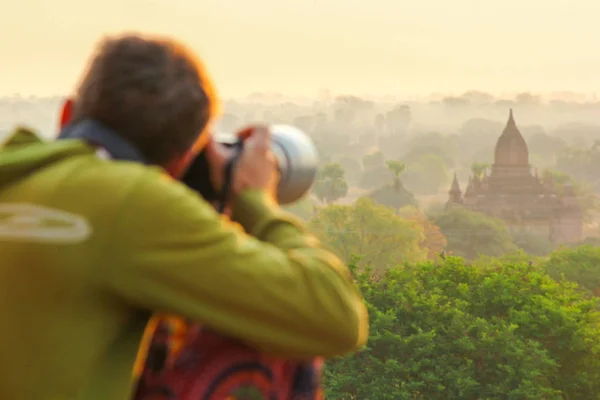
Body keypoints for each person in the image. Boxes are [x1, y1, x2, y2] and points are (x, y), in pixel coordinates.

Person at [0, 34, 368, 400]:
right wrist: (255, 200)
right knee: (268, 336)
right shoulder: (134, 200)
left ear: (66, 113)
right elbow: (336, 316)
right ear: (182, 159)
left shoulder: (15, 170)